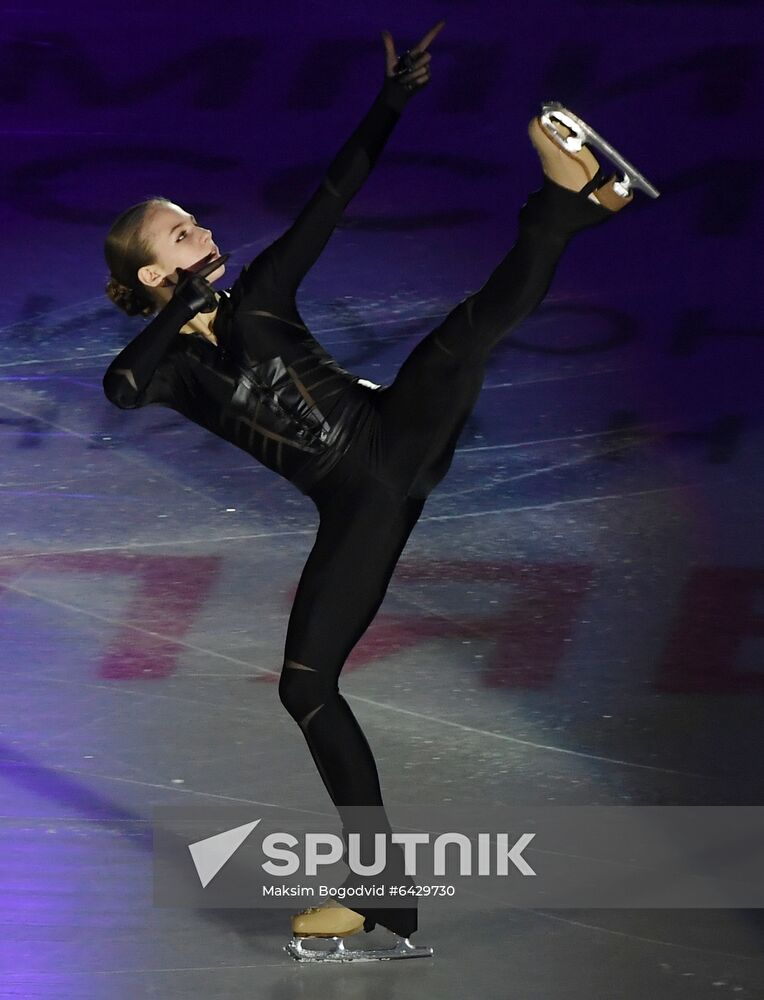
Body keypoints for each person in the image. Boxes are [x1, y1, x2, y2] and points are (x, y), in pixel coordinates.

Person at [102, 19, 657, 961]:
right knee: (305, 687)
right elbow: (120, 387)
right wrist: (188, 312)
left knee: (459, 340)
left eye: (197, 220)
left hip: (392, 433)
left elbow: (333, 194)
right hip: (362, 507)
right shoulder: (168, 369)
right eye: (182, 231)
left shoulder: (267, 292)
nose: (206, 231)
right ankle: (388, 901)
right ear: (156, 271)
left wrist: (392, 97)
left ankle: (569, 208)